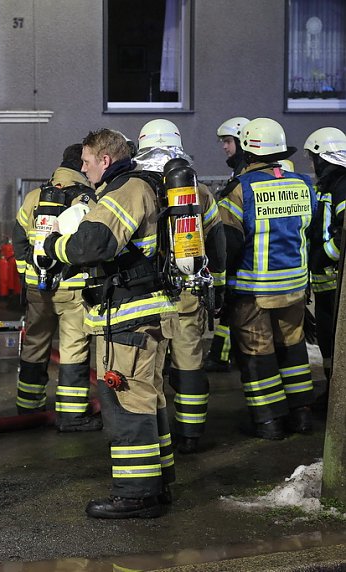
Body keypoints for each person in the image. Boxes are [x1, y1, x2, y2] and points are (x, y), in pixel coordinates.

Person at [43, 128, 178, 519]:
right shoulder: (133, 187)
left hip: (127, 317)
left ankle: (135, 496)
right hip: (139, 315)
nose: (82, 170)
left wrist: (52, 246)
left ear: (105, 158)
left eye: (86, 162)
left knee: (126, 403)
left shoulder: (127, 189)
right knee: (148, 402)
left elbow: (92, 245)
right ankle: (157, 484)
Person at [217, 117, 317, 439]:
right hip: (295, 287)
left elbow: (228, 245)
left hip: (253, 290)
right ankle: (301, 415)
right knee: (293, 349)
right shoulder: (303, 184)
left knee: (257, 354)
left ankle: (269, 421)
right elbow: (311, 233)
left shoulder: (239, 191)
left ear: (247, 150)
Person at [133, 119, 226, 455]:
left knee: (150, 367)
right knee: (190, 363)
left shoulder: (135, 187)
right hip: (188, 290)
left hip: (149, 295)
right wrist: (219, 286)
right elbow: (217, 243)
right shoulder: (197, 191)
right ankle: (190, 433)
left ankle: (156, 434)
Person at [12, 143, 101, 432]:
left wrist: (28, 277)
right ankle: (72, 416)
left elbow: (19, 240)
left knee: (35, 343)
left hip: (38, 288)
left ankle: (27, 408)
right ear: (81, 165)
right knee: (73, 348)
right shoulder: (88, 199)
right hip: (74, 288)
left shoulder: (35, 196)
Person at [304, 127, 346, 406]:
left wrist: (324, 257)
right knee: (327, 341)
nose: (311, 164)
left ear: (324, 157)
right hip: (325, 283)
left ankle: (336, 395)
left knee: (334, 341)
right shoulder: (329, 185)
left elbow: (343, 233)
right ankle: (331, 393)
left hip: (334, 282)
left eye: (313, 158)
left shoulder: (342, 185)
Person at [205, 116, 250, 373]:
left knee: (233, 306)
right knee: (230, 307)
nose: (224, 147)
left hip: (243, 255)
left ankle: (221, 357)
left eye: (228, 141)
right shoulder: (240, 170)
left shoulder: (244, 174)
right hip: (241, 253)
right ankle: (220, 355)